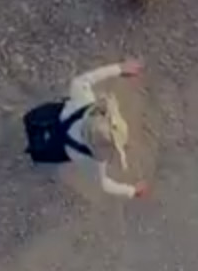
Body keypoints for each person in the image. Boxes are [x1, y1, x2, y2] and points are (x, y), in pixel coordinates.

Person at [22, 58, 151, 199]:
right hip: (49, 149)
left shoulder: (83, 101)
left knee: (32, 119)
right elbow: (105, 185)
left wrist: (119, 68)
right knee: (38, 153)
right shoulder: (92, 161)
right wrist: (132, 191)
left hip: (42, 118)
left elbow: (85, 79)